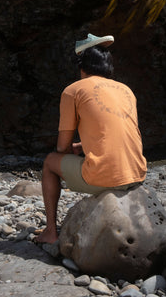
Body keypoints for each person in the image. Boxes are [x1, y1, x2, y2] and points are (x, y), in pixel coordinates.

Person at [35, 34, 147, 244]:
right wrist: (81, 147)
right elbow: (118, 136)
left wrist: (69, 149)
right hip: (137, 174)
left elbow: (61, 147)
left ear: (82, 66)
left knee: (50, 162)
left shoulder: (73, 90)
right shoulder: (126, 90)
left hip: (106, 178)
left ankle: (50, 231)